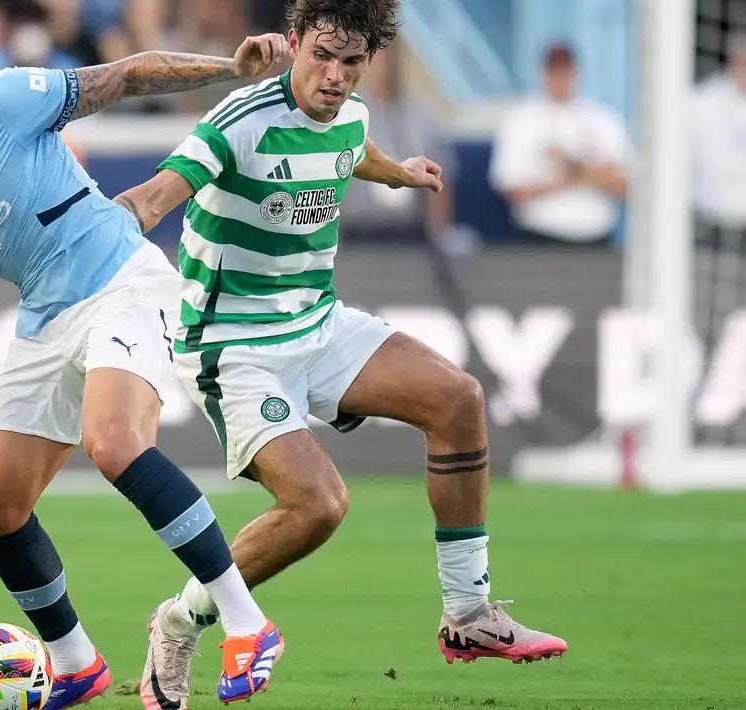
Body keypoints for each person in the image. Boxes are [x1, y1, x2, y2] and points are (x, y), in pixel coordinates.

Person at [110, 1, 569, 707]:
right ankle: (178, 619)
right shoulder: (240, 120)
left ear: (365, 65)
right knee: (318, 506)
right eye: (320, 56)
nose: (332, 75)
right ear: (292, 43)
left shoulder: (350, 115)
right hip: (232, 346)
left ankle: (468, 614)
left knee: (457, 399)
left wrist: (400, 174)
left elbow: (355, 153)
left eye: (350, 63)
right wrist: (102, 228)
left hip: (317, 324)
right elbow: (154, 195)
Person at [0, 29, 287, 709]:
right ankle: (74, 664)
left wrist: (229, 70)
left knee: (116, 442)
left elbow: (124, 75)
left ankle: (247, 625)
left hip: (123, 278)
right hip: (45, 315)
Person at [488, 41, 632, 247]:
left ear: (576, 72)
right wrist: (583, 176)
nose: (561, 79)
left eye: (566, 71)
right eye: (555, 71)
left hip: (597, 239)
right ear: (543, 73)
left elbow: (627, 184)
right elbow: (513, 189)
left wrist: (574, 168)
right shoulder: (521, 120)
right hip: (540, 238)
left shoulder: (603, 120)